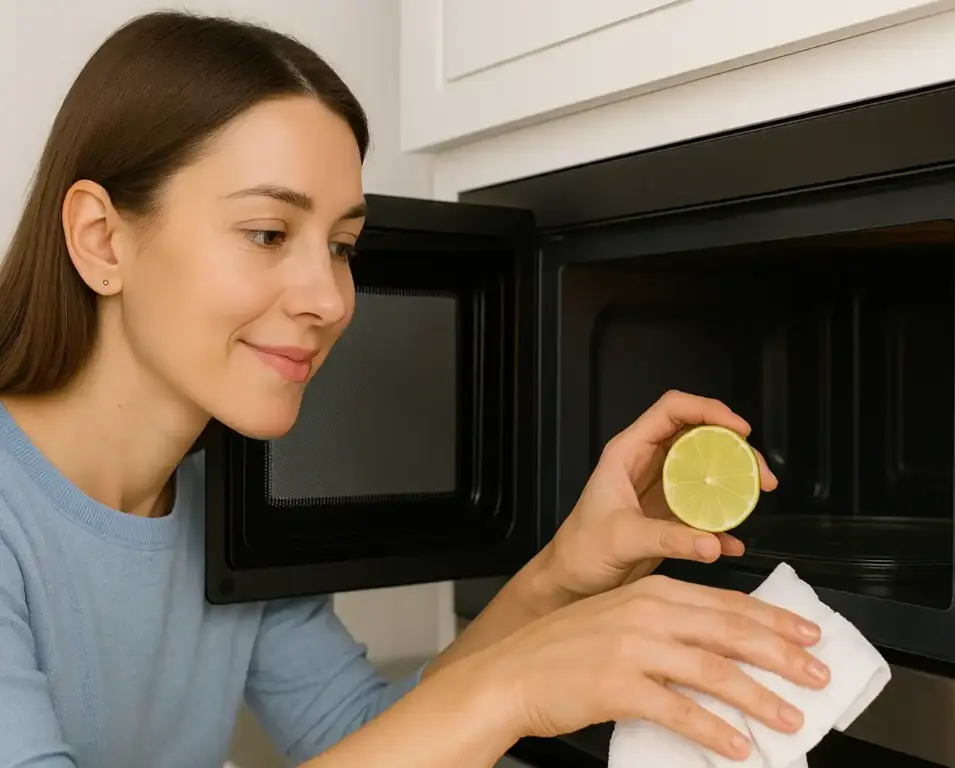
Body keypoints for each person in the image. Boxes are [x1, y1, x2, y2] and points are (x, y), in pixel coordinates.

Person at [0, 12, 830, 768]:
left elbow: (364, 740)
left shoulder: (220, 498)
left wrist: (562, 579)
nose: (328, 299)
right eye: (267, 233)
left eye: (343, 245)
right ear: (102, 240)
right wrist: (514, 687)